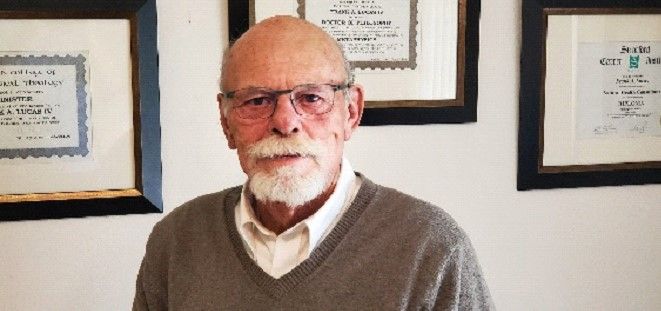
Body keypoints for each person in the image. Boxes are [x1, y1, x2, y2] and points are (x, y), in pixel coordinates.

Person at [133, 16, 494, 310]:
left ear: (351, 112)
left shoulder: (431, 248)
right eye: (257, 101)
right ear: (226, 122)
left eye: (310, 97)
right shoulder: (176, 242)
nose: (285, 122)